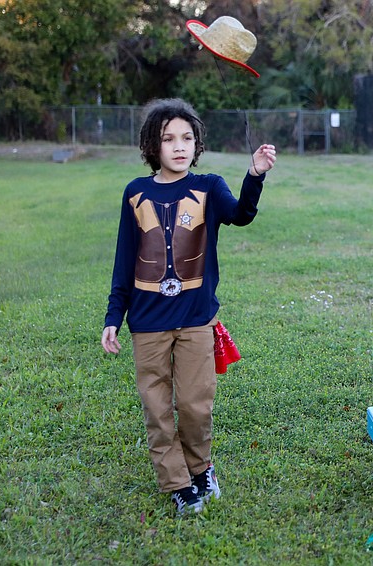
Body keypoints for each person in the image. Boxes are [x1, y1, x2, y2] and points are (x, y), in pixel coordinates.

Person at [100, 98, 276, 513]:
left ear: (196, 143)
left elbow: (241, 214)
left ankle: (201, 469)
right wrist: (114, 316)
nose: (179, 146)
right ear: (152, 146)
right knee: (158, 409)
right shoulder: (135, 193)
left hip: (196, 320)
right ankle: (178, 484)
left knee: (196, 405)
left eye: (186, 138)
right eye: (168, 139)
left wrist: (254, 175)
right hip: (147, 325)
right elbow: (124, 260)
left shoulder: (209, 187)